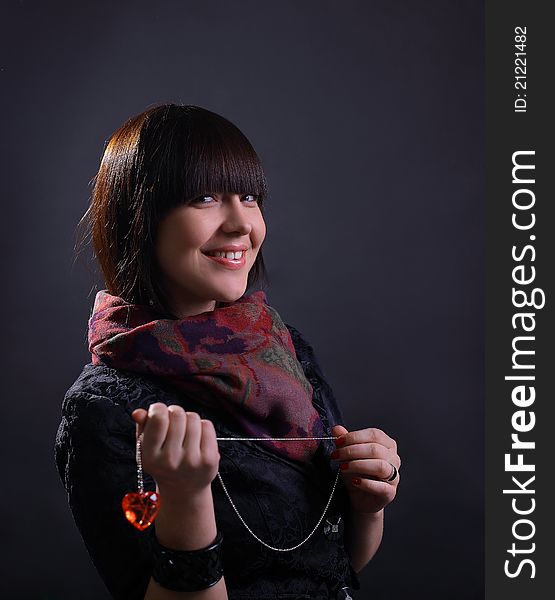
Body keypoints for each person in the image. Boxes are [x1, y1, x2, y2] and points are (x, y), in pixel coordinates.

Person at [54, 103, 401, 600]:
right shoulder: (103, 407)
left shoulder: (284, 350)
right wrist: (187, 499)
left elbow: (333, 566)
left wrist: (368, 503)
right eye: (205, 197)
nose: (242, 224)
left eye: (250, 197)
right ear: (141, 217)